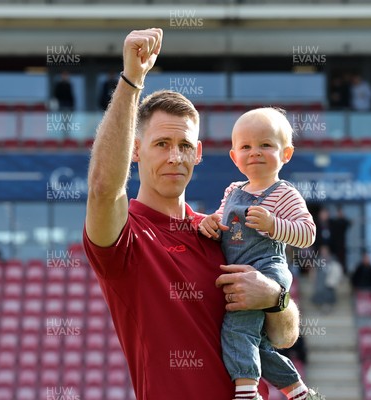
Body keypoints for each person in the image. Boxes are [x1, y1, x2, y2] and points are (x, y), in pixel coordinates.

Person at [82, 28, 303, 400]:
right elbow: (104, 188)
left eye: (184, 145)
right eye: (161, 144)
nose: (175, 157)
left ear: (198, 152)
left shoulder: (222, 229)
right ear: (135, 150)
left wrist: (275, 297)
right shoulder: (126, 237)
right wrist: (131, 81)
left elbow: (285, 335)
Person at [198, 107, 316, 400]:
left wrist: (274, 224)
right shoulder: (233, 190)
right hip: (240, 273)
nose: (255, 152)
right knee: (255, 343)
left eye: (266, 145)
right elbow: (222, 221)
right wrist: (209, 223)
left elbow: (307, 233)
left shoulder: (284, 193)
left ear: (285, 154)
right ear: (234, 156)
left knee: (236, 332)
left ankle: (247, 392)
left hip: (266, 271)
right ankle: (299, 392)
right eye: (246, 146)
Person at [311, 245, 342, 314]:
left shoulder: (332, 259)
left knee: (329, 294)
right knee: (321, 294)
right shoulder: (318, 259)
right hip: (320, 281)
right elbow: (314, 270)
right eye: (322, 251)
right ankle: (323, 308)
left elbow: (337, 269)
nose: (323, 252)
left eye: (325, 251)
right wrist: (314, 278)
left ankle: (328, 307)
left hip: (329, 281)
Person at [330, 205, 351, 273]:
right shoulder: (334, 222)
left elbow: (349, 223)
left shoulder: (343, 222)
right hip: (334, 245)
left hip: (342, 245)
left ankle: (343, 272)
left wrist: (343, 218)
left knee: (342, 260)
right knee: (334, 261)